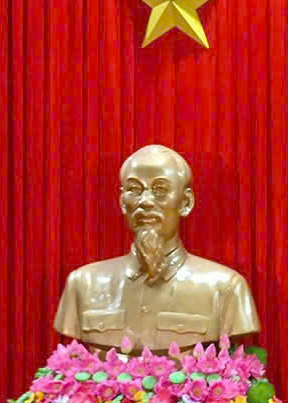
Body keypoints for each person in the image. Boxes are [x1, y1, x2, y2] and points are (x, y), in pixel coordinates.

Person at [53, 143, 259, 354]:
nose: (145, 202)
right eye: (134, 190)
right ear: (122, 201)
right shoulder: (83, 284)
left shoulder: (225, 288)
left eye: (160, 190)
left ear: (186, 202)